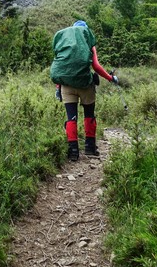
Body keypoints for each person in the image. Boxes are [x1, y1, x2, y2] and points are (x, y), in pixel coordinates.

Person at [49, 20, 118, 161]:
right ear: (85, 31)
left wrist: (58, 87)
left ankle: (73, 151)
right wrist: (111, 78)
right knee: (89, 115)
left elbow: (61, 68)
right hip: (86, 85)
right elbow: (96, 67)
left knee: (71, 117)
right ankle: (90, 148)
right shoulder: (87, 42)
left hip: (67, 86)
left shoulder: (64, 42)